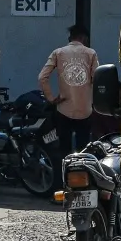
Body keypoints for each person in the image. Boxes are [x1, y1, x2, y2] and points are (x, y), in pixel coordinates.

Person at [38, 24, 99, 157]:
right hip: (85, 110)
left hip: (63, 109)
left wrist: (52, 99)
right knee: (83, 151)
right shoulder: (91, 54)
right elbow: (97, 79)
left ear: (70, 38)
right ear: (84, 38)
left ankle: (63, 175)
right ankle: (80, 173)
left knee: (64, 150)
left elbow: (42, 77)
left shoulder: (58, 53)